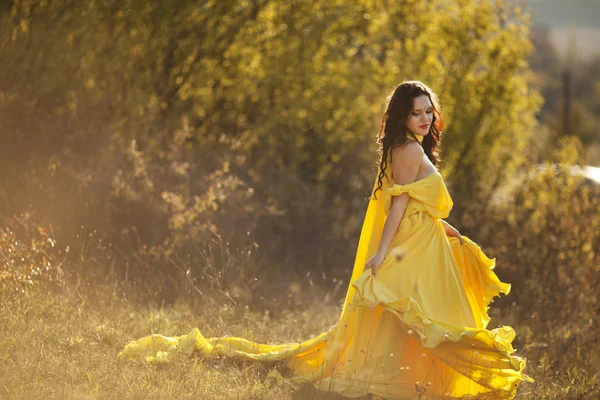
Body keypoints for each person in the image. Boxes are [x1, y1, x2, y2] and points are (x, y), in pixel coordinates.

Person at [119, 81, 534, 399]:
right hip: (412, 247)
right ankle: (408, 380)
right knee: (423, 317)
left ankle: (417, 380)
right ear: (402, 119)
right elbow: (397, 207)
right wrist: (383, 253)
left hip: (425, 241)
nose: (425, 119)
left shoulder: (409, 147)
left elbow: (418, 205)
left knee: (419, 320)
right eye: (416, 113)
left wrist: (451, 231)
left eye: (428, 112)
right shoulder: (408, 151)